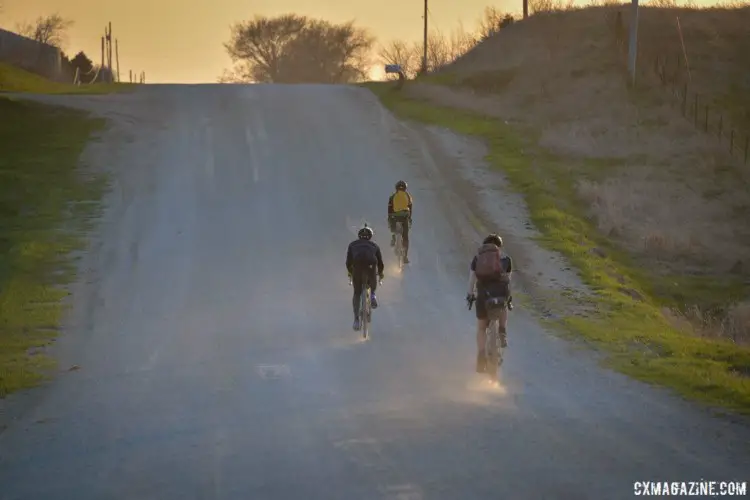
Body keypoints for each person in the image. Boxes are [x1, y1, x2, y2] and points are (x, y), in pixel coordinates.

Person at [466, 234, 513, 373]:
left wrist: (469, 295)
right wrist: (509, 298)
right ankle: (502, 331)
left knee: (481, 328)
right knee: (504, 303)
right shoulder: (506, 259)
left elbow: (471, 280)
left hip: (483, 297)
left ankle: (481, 354)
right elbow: (508, 282)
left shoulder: (478, 259)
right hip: (500, 295)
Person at [346, 224, 385, 331]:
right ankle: (372, 295)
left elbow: (348, 262)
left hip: (357, 267)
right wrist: (381, 274)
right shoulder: (374, 245)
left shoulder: (352, 245)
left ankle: (356, 320)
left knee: (357, 293)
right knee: (372, 279)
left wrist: (350, 273)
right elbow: (380, 263)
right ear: (370, 236)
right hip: (370, 265)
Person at [387, 180, 413, 264]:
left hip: (395, 216)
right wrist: (409, 217)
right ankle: (405, 257)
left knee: (392, 227)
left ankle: (394, 237)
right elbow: (410, 207)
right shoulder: (408, 196)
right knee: (405, 237)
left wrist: (390, 217)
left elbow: (389, 209)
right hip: (405, 216)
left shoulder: (393, 196)